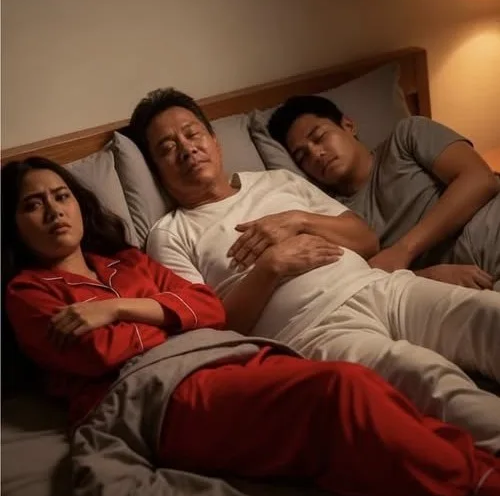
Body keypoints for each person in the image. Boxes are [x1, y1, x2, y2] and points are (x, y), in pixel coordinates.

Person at [4, 157, 500, 496]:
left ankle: (479, 472)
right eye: (33, 204)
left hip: (220, 355)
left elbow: (209, 310)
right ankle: (483, 494)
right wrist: (171, 315)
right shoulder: (26, 292)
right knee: (340, 392)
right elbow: (100, 352)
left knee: (367, 392)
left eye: (61, 195)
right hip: (156, 392)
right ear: (13, 224)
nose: (54, 210)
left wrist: (118, 309)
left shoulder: (127, 263)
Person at [128, 87, 500, 456]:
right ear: (158, 170)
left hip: (380, 286)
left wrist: (298, 220)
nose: (186, 148)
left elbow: (366, 240)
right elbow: (211, 333)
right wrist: (271, 267)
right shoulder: (170, 234)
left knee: (486, 313)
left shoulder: (278, 180)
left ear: (214, 140)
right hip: (315, 329)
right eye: (167, 147)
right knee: (425, 376)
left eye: (192, 134)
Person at [267, 95, 500, 290]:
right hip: (470, 282)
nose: (316, 154)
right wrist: (427, 276)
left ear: (348, 125)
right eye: (303, 156)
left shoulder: (405, 136)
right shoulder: (337, 218)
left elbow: (480, 179)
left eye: (319, 137)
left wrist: (405, 249)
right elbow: (365, 280)